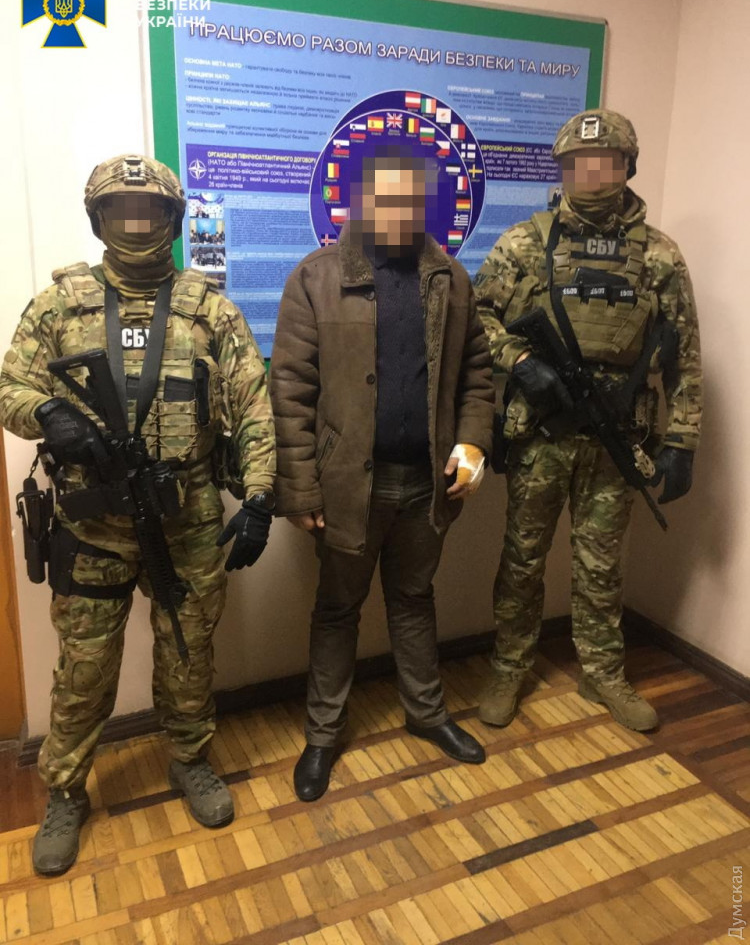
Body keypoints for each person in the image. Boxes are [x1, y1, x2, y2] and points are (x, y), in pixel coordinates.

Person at [0, 154, 276, 875]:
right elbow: (9, 387)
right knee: (85, 667)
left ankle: (189, 757)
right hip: (90, 524)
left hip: (186, 516)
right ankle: (66, 790)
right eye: (121, 210)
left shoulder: (209, 311)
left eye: (149, 210)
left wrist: (259, 496)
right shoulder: (59, 307)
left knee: (189, 652)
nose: (136, 223)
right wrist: (48, 412)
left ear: (172, 221)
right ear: (99, 219)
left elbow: (253, 404)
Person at [270, 148, 495, 801]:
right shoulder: (314, 278)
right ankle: (322, 736)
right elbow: (289, 391)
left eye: (410, 201)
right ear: (360, 201)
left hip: (427, 483)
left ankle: (427, 714)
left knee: (415, 598)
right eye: (385, 200)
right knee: (337, 608)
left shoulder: (450, 279)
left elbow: (477, 376)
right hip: (348, 486)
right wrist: (300, 489)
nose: (398, 212)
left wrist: (473, 445)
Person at [473, 109, 702, 733]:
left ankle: (602, 672)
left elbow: (683, 356)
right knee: (523, 559)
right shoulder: (525, 243)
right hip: (542, 433)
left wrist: (682, 439)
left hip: (616, 436)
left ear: (628, 166)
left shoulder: (659, 256)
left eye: (605, 162)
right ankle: (509, 666)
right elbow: (477, 319)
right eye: (578, 164)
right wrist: (521, 362)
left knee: (601, 565)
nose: (592, 174)